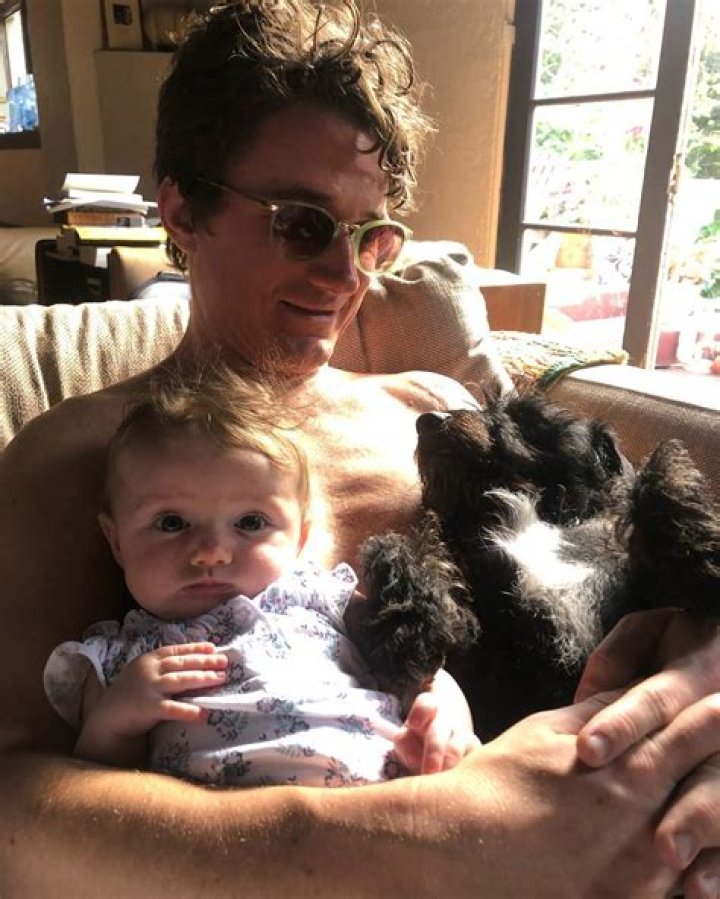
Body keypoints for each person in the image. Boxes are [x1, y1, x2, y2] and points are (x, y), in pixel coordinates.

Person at [2, 2, 720, 895]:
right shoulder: (74, 459)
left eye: (372, 237)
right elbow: (15, 804)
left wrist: (699, 669)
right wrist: (441, 836)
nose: (347, 278)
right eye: (302, 222)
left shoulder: (436, 414)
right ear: (182, 210)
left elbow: (638, 563)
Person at [44, 370, 471, 786]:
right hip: (223, 825)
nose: (211, 552)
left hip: (385, 791)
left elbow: (414, 667)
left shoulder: (319, 599)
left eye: (250, 522)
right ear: (117, 541)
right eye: (171, 523)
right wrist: (116, 721)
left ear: (300, 537)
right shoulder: (117, 659)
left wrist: (443, 710)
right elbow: (92, 783)